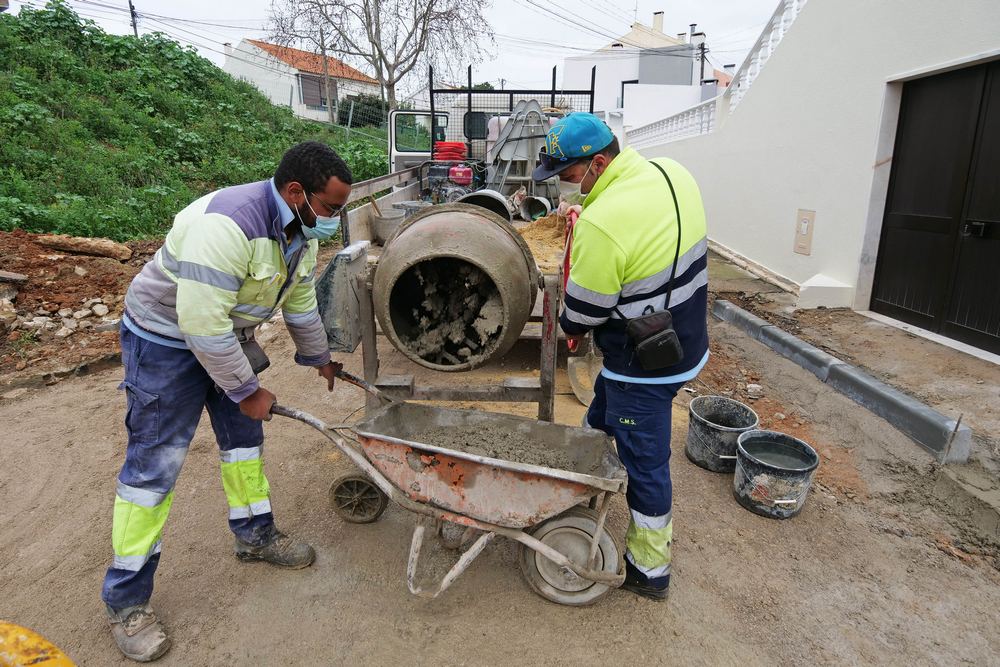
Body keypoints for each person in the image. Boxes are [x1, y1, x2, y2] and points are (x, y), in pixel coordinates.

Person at [101, 141, 351, 661]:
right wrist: (248, 389)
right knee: (154, 468)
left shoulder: (299, 233)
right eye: (330, 208)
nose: (335, 219)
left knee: (243, 444)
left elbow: (300, 300)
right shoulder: (229, 225)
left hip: (225, 335)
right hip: (165, 339)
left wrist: (320, 357)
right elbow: (200, 325)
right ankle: (127, 602)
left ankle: (256, 536)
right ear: (296, 192)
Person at [533, 114, 709, 601]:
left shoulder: (603, 221)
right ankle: (580, 492)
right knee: (601, 416)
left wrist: (563, 320)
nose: (566, 187)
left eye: (568, 175)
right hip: (687, 339)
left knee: (647, 466)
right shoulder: (672, 172)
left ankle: (649, 569)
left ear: (598, 163)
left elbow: (583, 314)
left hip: (646, 365)